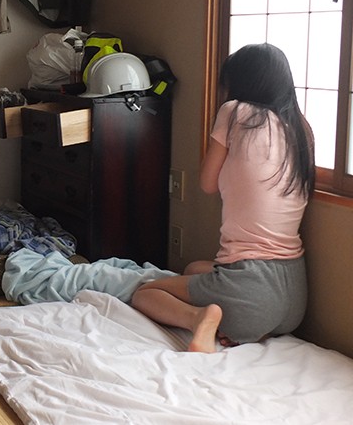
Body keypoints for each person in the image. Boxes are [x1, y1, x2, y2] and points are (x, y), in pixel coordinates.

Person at [131, 43, 315, 353]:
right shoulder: (301, 128)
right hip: (294, 299)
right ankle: (242, 321)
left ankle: (199, 318)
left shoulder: (235, 111)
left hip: (251, 292)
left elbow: (207, 183)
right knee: (194, 269)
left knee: (144, 294)